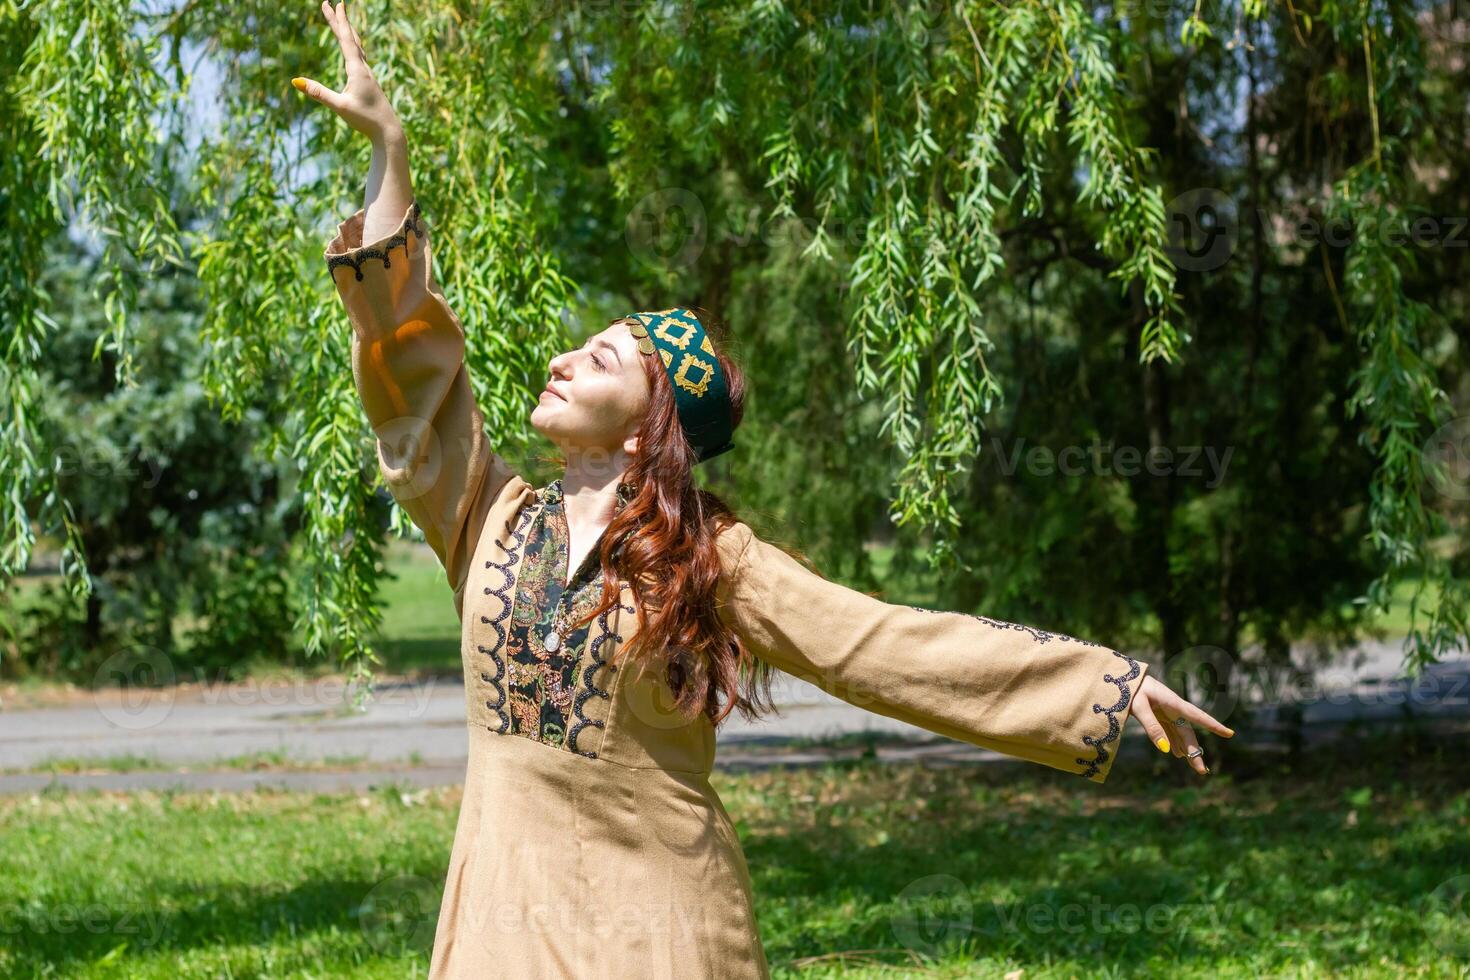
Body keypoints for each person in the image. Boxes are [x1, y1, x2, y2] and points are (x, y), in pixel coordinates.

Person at [295, 4, 1234, 975]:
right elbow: (406, 363)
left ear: (644, 420)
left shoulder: (709, 554)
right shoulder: (486, 519)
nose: (566, 356)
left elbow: (873, 645)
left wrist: (1098, 686)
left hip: (658, 933)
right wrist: (390, 150)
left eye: (604, 354)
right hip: (501, 929)